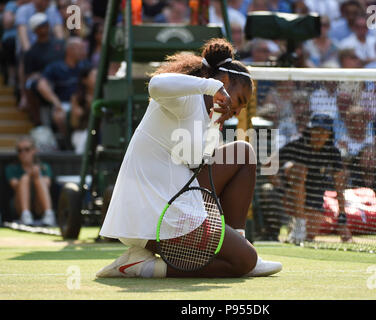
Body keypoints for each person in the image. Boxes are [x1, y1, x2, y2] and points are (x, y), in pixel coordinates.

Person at [96, 38, 282, 278]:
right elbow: (156, 85)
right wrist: (209, 87)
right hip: (150, 214)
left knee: (243, 153)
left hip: (174, 197)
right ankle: (141, 267)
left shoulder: (212, 118)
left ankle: (240, 243)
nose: (237, 112)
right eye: (239, 102)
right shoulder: (186, 99)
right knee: (243, 261)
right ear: (223, 82)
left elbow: (200, 166)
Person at [277, 114, 351, 243]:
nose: (319, 135)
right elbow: (268, 165)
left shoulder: (332, 152)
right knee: (299, 169)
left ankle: (297, 226)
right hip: (290, 198)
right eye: (316, 130)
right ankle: (298, 222)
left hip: (315, 198)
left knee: (308, 236)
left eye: (323, 132)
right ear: (309, 131)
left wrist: (342, 219)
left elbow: (339, 187)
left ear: (329, 134)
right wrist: (281, 188)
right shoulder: (297, 145)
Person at [4, 136, 56, 226]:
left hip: (39, 205)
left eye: (27, 149)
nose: (23, 153)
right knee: (24, 179)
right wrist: (28, 175)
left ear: (34, 150)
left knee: (38, 178)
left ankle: (49, 214)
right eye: (20, 150)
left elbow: (47, 184)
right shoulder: (11, 168)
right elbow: (15, 185)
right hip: (18, 205)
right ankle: (25, 215)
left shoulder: (44, 166)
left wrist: (36, 175)